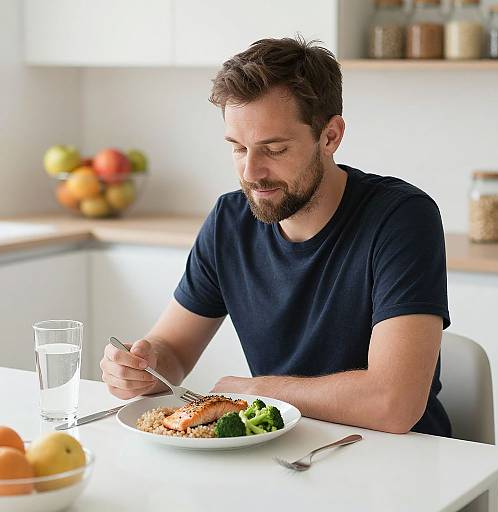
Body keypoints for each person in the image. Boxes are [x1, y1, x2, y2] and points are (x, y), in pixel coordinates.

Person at [100, 36, 451, 437]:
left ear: (330, 136)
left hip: (403, 464)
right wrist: (142, 368)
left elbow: (394, 404)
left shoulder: (401, 218)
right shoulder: (229, 221)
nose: (251, 172)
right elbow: (173, 352)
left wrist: (257, 390)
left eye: (275, 149)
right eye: (238, 148)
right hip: (285, 454)